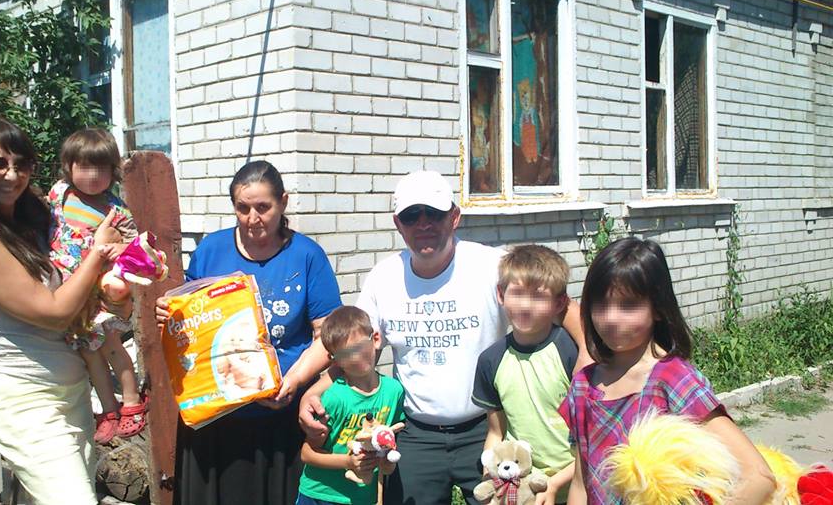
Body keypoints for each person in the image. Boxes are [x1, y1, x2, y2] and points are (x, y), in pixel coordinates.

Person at [299, 170, 587, 505]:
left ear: (454, 217)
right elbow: (351, 344)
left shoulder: (490, 265)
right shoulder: (384, 277)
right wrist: (310, 388)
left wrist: (586, 356)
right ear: (398, 224)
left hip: (488, 429)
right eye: (412, 216)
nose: (423, 224)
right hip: (416, 434)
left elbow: (563, 306)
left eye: (433, 213)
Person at [0, 114, 121, 504]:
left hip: (69, 387)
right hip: (22, 396)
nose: (12, 174)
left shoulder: (35, 223)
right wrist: (98, 253)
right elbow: (54, 311)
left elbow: (80, 290)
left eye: (21, 163)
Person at [157, 160, 342, 505]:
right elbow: (191, 320)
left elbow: (328, 336)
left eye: (263, 207)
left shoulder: (306, 256)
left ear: (283, 202)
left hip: (280, 421)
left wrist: (294, 381)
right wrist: (168, 315)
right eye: (242, 208)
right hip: (215, 419)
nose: (253, 218)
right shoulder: (211, 250)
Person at [559, 237, 776, 504]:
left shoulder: (674, 380)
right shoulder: (584, 385)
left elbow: (759, 476)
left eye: (628, 305)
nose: (611, 318)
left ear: (658, 309)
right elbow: (581, 484)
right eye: (601, 304)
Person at [47, 128, 146, 444]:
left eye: (101, 168)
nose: (92, 175)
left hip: (98, 294)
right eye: (84, 167)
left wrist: (120, 248)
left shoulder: (115, 209)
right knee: (89, 354)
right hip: (68, 292)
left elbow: (136, 245)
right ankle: (108, 410)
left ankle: (131, 401)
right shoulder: (60, 194)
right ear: (69, 166)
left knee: (111, 345)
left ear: (113, 170)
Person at [471, 245, 576, 505]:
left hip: (575, 487)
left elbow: (593, 435)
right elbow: (496, 432)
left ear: (559, 303)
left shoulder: (571, 351)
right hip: (520, 491)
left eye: (539, 297)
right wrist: (490, 477)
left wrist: (555, 484)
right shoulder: (490, 360)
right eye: (517, 293)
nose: (525, 306)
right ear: (501, 294)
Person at [297, 306, 406, 505]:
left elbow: (388, 440)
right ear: (334, 360)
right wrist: (347, 462)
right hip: (321, 494)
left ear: (375, 339)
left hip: (363, 497)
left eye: (359, 347)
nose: (355, 357)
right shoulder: (334, 398)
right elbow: (307, 453)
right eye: (345, 354)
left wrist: (386, 460)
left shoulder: (394, 391)